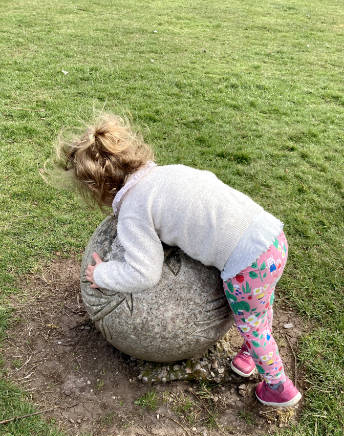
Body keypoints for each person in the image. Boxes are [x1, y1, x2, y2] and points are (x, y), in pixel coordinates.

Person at [55, 113, 302, 408]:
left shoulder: (135, 208)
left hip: (246, 265)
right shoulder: (167, 173)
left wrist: (102, 274)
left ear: (100, 188)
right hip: (271, 237)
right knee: (260, 308)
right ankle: (250, 354)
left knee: (253, 324)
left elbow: (144, 273)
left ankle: (278, 388)